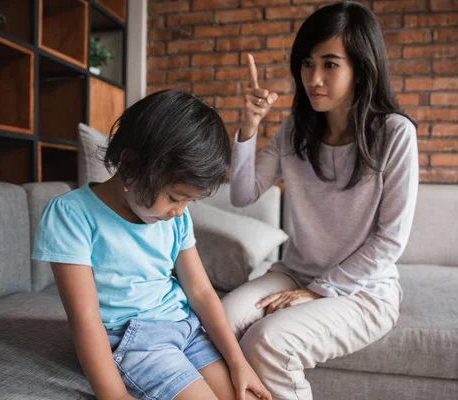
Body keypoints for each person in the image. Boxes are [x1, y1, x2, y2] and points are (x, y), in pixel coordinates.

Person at [223, 2, 419, 399]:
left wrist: (320, 290)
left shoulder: (395, 135)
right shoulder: (295, 130)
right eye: (307, 63)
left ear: (362, 69)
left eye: (330, 64)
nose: (313, 78)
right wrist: (249, 126)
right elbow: (243, 195)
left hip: (365, 292)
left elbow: (390, 241)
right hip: (294, 273)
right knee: (219, 323)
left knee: (267, 341)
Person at [32, 90, 271, 400]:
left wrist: (239, 362)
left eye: (189, 201)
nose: (180, 211)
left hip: (186, 329)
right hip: (137, 340)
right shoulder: (71, 215)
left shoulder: (176, 220)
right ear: (131, 165)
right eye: (174, 197)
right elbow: (86, 318)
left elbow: (200, 292)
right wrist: (114, 395)